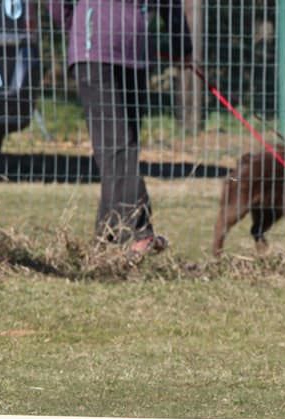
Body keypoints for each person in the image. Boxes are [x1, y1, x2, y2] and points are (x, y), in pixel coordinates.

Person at [53, 0, 192, 255]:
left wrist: (182, 46)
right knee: (117, 146)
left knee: (120, 147)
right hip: (95, 50)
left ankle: (104, 242)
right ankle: (141, 231)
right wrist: (79, 28)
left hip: (132, 54)